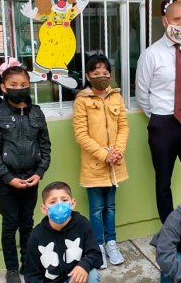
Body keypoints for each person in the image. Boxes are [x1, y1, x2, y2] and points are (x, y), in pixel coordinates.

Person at [135, 1, 181, 223]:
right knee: (163, 180)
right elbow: (142, 93)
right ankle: (168, 228)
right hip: (163, 124)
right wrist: (159, 116)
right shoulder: (151, 54)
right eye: (177, 19)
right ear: (165, 21)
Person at [0, 59, 52, 283]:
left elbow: (45, 146)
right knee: (9, 225)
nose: (19, 89)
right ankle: (12, 268)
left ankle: (27, 263)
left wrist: (40, 172)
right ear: (4, 87)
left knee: (27, 223)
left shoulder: (37, 113)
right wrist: (8, 178)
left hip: (31, 179)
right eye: (13, 85)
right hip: (8, 184)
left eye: (23, 84)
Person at [72, 54, 129, 269]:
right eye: (96, 73)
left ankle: (111, 242)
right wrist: (104, 154)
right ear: (88, 76)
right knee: (96, 209)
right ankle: (98, 247)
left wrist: (118, 151)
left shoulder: (116, 97)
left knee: (110, 206)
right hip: (94, 165)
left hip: (115, 164)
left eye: (105, 73)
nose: (101, 77)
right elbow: (81, 135)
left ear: (110, 75)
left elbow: (123, 126)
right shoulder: (82, 101)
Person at [24, 182, 103, 283]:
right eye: (52, 202)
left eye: (64, 200)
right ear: (44, 209)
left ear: (72, 204)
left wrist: (84, 265)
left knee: (92, 274)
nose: (59, 206)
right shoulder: (36, 235)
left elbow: (96, 255)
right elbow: (31, 275)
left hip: (74, 278)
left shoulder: (82, 224)